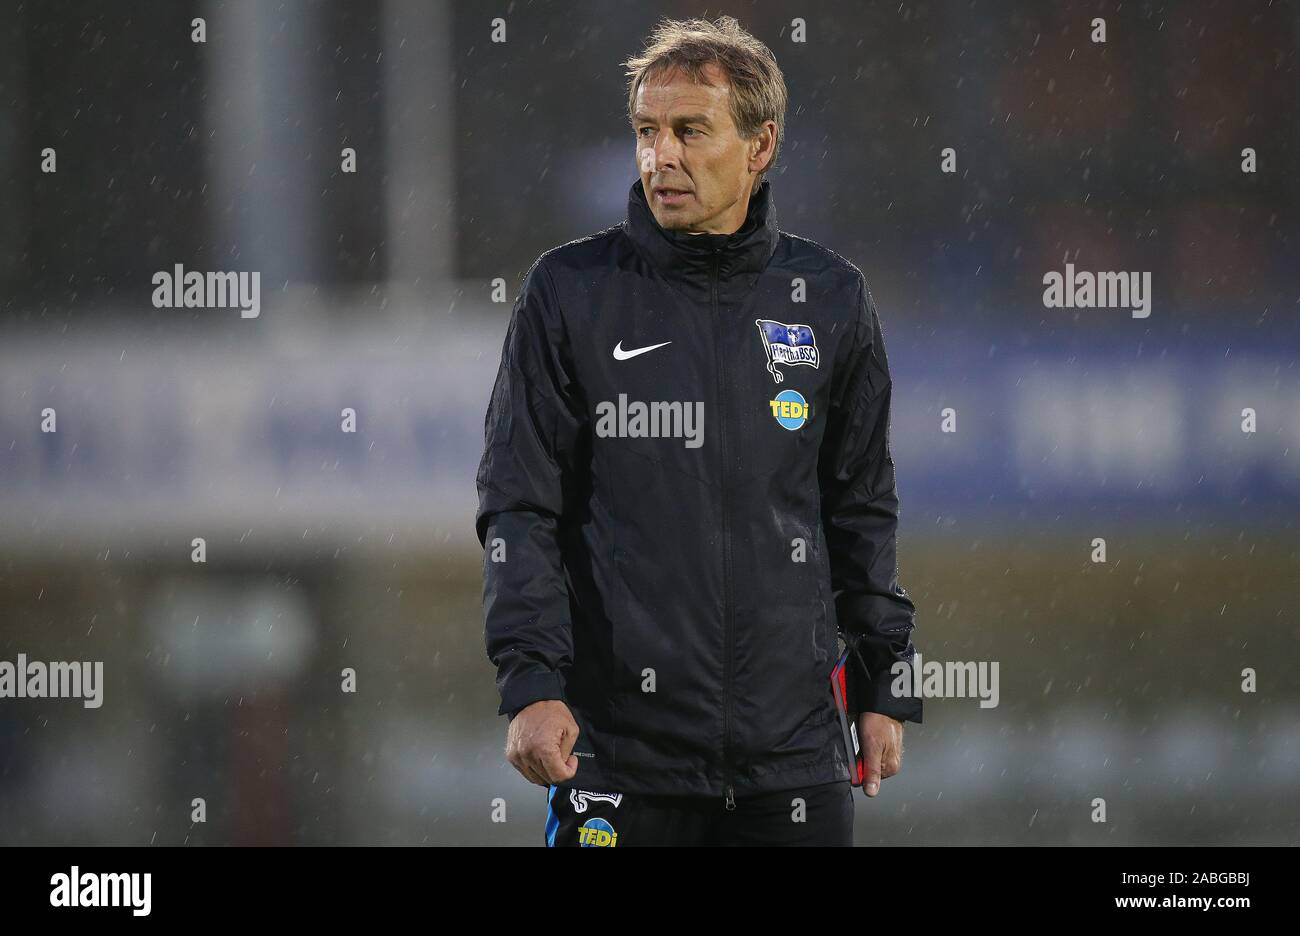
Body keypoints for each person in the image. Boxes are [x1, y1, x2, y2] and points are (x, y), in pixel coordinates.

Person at [475, 15, 921, 847]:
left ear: (760, 146)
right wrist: (530, 684)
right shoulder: (570, 293)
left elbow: (861, 509)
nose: (660, 156)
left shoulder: (828, 298)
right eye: (646, 131)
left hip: (792, 765)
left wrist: (882, 686)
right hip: (617, 760)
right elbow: (518, 506)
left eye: (689, 131)